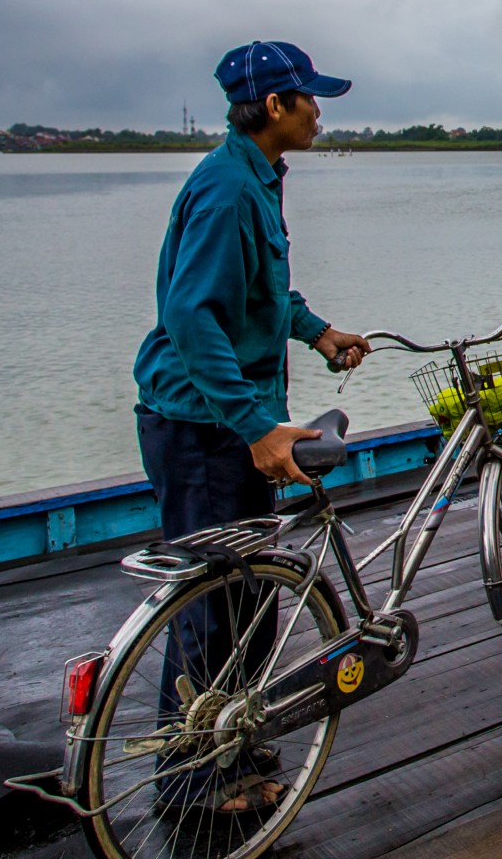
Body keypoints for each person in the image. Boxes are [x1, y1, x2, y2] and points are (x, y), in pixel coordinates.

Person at [132, 40, 371, 811]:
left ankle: (227, 740)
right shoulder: (230, 188)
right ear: (275, 105)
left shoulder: (257, 177)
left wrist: (317, 330)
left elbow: (263, 293)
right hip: (201, 424)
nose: (318, 110)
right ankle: (191, 780)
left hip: (230, 415)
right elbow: (191, 317)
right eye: (309, 97)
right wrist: (256, 429)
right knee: (211, 606)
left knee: (247, 600)